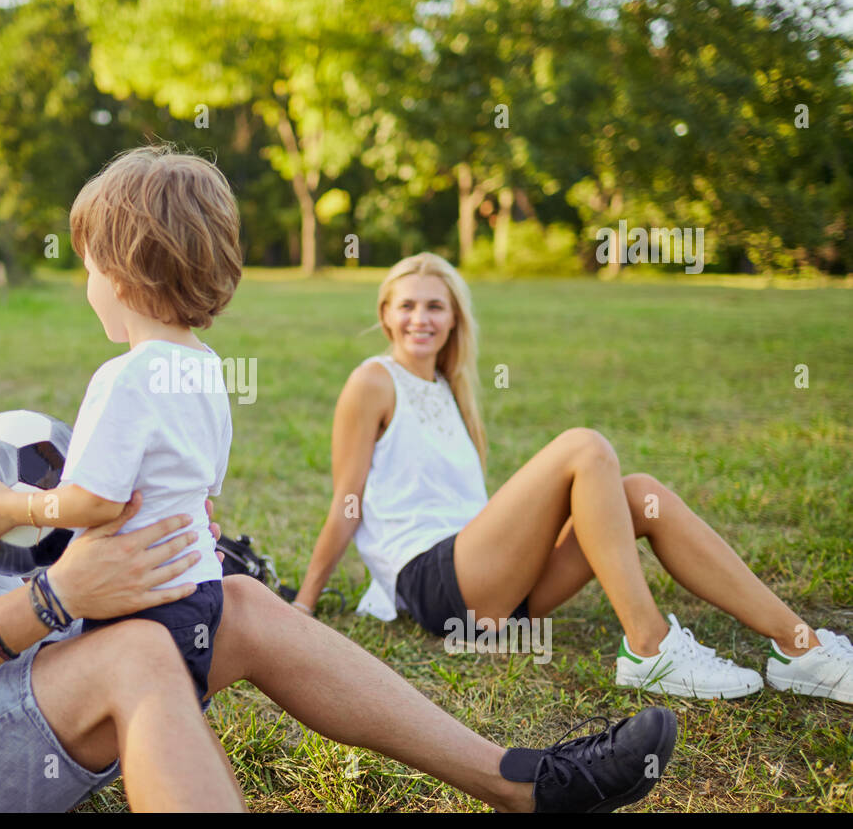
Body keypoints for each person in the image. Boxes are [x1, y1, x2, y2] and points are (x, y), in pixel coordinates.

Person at [0, 162, 678, 813]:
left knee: (244, 605)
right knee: (134, 658)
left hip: (21, 710)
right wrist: (54, 598)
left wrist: (161, 553)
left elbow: (84, 538)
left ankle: (528, 783)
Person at [296, 253, 853, 704]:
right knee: (584, 447)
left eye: (436, 306)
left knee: (642, 494)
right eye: (408, 305)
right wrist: (303, 605)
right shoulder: (373, 381)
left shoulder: (450, 388)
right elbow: (348, 503)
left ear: (455, 319)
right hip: (437, 584)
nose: (421, 318)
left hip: (498, 590)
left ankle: (800, 648)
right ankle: (649, 647)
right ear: (386, 313)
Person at [0, 146, 239, 703]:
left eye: (89, 271)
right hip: (201, 587)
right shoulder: (207, 366)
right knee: (175, 708)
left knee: (146, 722)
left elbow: (96, 503)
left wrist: (14, 507)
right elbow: (207, 485)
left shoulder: (126, 376)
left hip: (141, 597)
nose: (87, 288)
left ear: (122, 278)